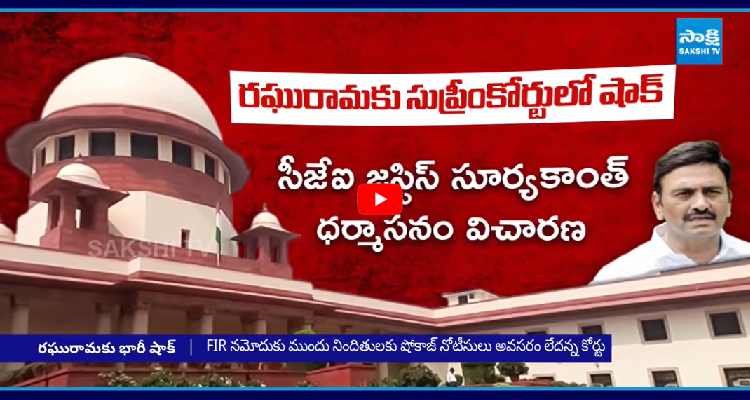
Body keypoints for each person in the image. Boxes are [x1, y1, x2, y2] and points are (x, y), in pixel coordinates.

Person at [590, 140, 750, 284]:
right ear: (658, 204)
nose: (701, 205)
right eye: (684, 193)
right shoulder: (620, 277)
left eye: (712, 191)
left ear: (729, 200)